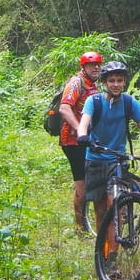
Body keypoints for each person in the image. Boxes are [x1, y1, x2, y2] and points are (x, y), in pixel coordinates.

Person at [76, 61, 140, 273]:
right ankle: (103, 251)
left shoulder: (128, 103)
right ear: (105, 82)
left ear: (124, 82)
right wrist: (82, 135)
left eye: (120, 80)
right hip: (96, 160)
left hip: (117, 161)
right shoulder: (93, 101)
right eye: (112, 80)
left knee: (114, 207)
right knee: (100, 210)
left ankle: (112, 261)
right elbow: (84, 122)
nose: (116, 84)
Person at [57, 51, 102, 232]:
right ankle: (80, 226)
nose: (96, 67)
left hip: (88, 141)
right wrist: (79, 130)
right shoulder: (76, 82)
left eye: (98, 64)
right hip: (73, 142)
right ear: (83, 67)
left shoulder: (94, 85)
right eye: (92, 65)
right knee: (82, 185)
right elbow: (64, 108)